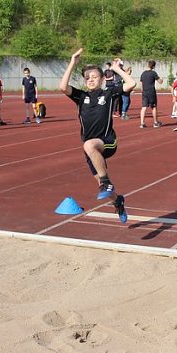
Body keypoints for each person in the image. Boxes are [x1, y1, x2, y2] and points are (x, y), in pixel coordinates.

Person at [59, 48, 134, 224]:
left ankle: (106, 181)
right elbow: (63, 87)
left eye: (94, 77)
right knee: (102, 186)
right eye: (87, 78)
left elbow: (131, 84)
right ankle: (118, 201)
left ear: (101, 79)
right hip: (90, 149)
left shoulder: (108, 93)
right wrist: (72, 62)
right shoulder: (81, 96)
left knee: (90, 148)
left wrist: (116, 70)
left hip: (107, 142)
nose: (90, 80)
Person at [139, 60, 163, 129]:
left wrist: (143, 90)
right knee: (153, 107)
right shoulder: (153, 73)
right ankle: (155, 122)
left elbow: (141, 83)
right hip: (151, 92)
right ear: (154, 66)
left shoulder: (143, 73)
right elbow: (160, 82)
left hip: (144, 92)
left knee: (144, 107)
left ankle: (142, 123)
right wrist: (161, 79)